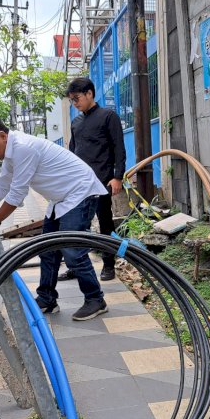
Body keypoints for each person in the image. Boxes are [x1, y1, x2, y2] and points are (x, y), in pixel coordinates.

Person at [0, 116, 109, 321]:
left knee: (72, 251)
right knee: (47, 251)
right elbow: (3, 185)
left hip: (80, 192)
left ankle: (96, 299)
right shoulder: (11, 153)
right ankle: (47, 299)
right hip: (60, 199)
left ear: (2, 136)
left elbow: (16, 195)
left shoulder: (24, 148)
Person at [58, 77, 126, 282]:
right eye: (71, 100)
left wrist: (117, 177)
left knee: (105, 222)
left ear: (89, 94)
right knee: (76, 225)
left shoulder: (108, 116)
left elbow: (119, 149)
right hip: (79, 183)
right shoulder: (76, 122)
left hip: (102, 180)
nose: (75, 103)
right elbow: (72, 152)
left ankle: (108, 264)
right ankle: (76, 265)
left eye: (77, 98)